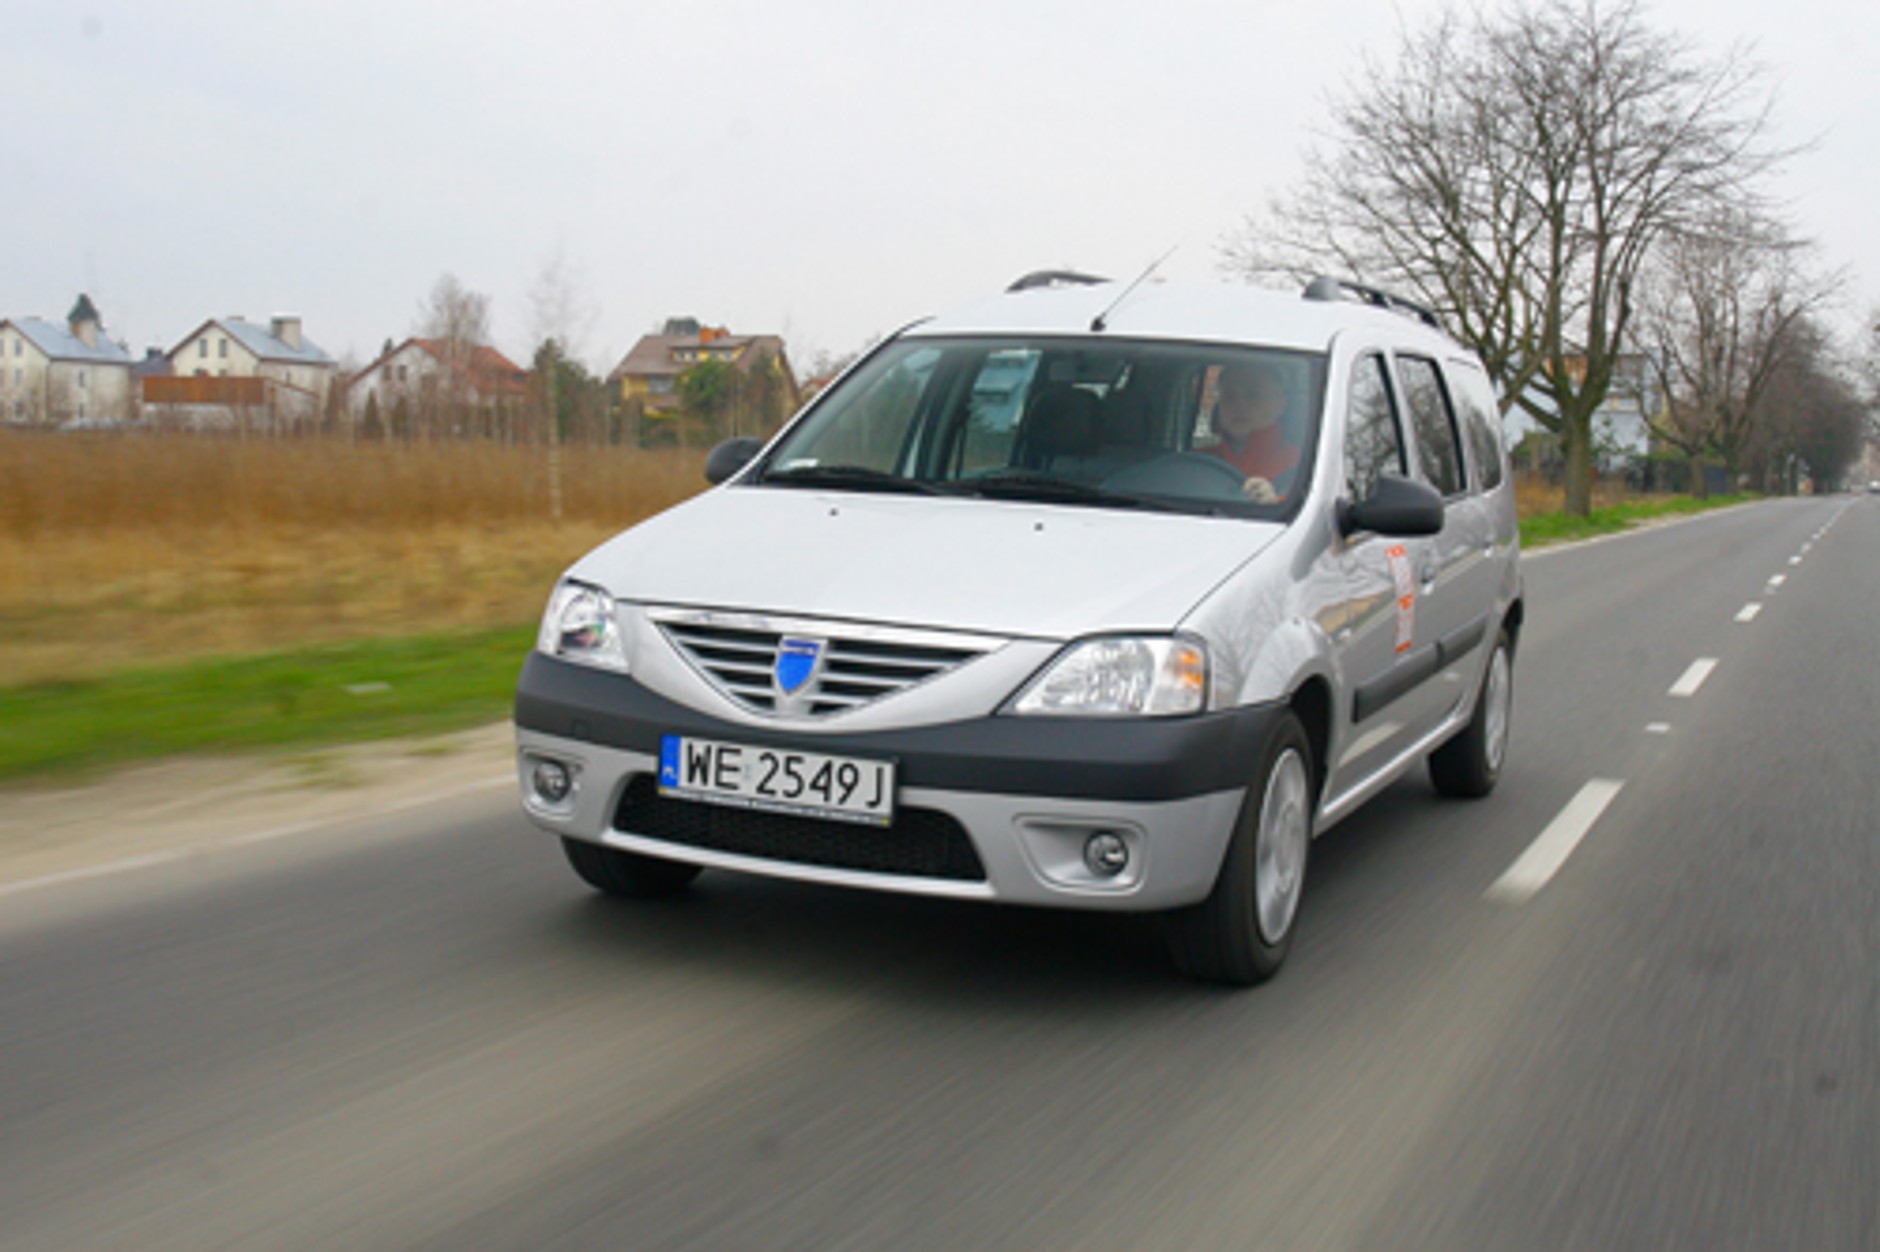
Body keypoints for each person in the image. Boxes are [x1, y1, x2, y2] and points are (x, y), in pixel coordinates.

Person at [1206, 360, 1300, 502]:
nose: (1239, 406)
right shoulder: (1197, 463)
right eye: (1229, 397)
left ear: (1280, 404)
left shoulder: (1300, 465)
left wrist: (1275, 503)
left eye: (1253, 396)